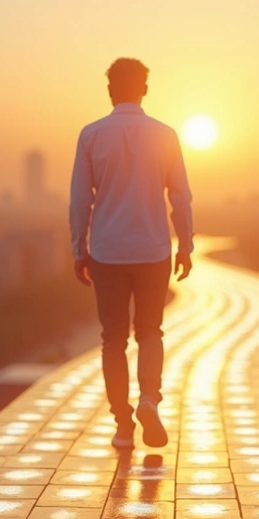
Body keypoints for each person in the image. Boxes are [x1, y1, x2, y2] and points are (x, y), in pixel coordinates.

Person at [69, 57, 194, 449]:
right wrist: (186, 245)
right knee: (150, 331)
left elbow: (79, 202)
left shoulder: (91, 135)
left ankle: (123, 425)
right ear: (144, 89)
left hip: (107, 251)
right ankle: (149, 399)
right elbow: (181, 196)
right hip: (154, 248)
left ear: (110, 91)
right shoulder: (166, 135)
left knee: (113, 339)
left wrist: (79, 248)